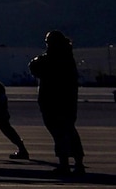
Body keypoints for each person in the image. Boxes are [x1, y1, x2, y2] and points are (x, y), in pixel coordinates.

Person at [30, 31, 85, 178]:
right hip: (65, 101)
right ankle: (75, 163)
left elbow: (35, 66)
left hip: (55, 101)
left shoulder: (56, 58)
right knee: (68, 131)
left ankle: (65, 164)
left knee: (60, 132)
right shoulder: (66, 57)